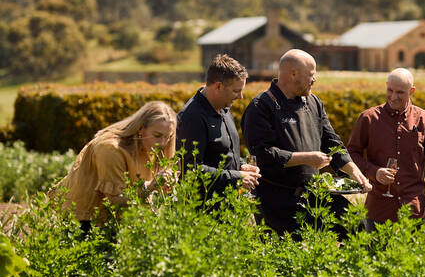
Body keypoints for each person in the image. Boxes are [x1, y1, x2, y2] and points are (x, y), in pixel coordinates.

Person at [241, 49, 371, 238]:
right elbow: (263, 154)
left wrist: (355, 172)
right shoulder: (261, 106)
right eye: (311, 74)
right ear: (293, 74)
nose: (315, 79)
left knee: (357, 227)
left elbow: (331, 141)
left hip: (314, 193)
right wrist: (307, 158)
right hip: (277, 201)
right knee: (285, 257)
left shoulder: (313, 102)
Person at [347, 68, 425, 226]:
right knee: (374, 251)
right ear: (386, 85)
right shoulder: (368, 118)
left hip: (414, 210)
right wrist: (374, 172)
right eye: (390, 90)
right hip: (378, 209)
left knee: (413, 252)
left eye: (400, 92)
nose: (393, 97)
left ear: (412, 91)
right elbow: (352, 154)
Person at [57, 101, 177, 231]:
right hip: (85, 220)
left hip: (116, 220)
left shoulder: (149, 147)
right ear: (141, 128)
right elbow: (115, 199)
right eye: (157, 135)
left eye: (168, 137)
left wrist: (165, 184)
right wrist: (150, 186)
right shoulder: (110, 149)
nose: (163, 143)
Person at [176, 54, 260, 210]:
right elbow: (191, 170)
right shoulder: (192, 117)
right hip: (204, 213)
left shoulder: (224, 108)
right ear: (218, 86)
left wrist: (241, 166)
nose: (240, 97)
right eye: (236, 91)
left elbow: (223, 153)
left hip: (229, 206)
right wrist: (237, 177)